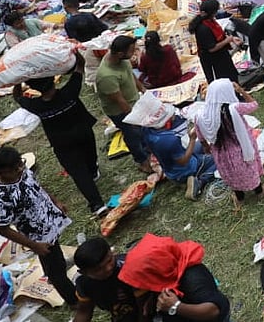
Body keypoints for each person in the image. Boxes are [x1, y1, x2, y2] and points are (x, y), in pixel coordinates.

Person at [13, 52, 105, 213]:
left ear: (33, 88)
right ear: (54, 80)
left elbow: (17, 96)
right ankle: (92, 170)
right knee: (89, 153)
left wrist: (19, 80)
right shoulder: (70, 92)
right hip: (83, 131)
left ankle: (97, 204)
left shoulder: (35, 105)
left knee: (78, 171)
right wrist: (73, 51)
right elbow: (80, 66)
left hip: (62, 141)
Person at [0, 147, 78, 305]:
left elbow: (38, 187)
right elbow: (4, 229)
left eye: (20, 165)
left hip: (51, 222)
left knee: (56, 258)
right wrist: (34, 246)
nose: (19, 170)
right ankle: (74, 300)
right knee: (55, 270)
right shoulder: (1, 198)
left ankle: (60, 270)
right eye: (12, 170)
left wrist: (55, 201)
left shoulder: (24, 172)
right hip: (39, 238)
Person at [73, 234, 230, 322]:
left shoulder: (192, 277)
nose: (109, 268)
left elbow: (214, 311)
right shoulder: (163, 279)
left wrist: (175, 306)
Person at [126, 93, 216, 199]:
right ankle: (200, 181)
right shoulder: (169, 140)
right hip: (185, 170)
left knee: (199, 146)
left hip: (170, 171)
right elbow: (183, 161)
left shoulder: (148, 131)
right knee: (218, 161)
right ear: (165, 123)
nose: (173, 116)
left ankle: (200, 164)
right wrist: (192, 139)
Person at [196, 79, 264, 207]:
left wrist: (206, 147)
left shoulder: (201, 115)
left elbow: (200, 135)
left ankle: (240, 198)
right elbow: (254, 105)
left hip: (220, 153)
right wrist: (241, 91)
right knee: (248, 168)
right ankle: (259, 191)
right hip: (240, 148)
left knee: (230, 173)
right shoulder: (234, 108)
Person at [95, 35, 150, 173]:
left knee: (142, 130)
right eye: (132, 50)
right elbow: (120, 101)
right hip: (120, 110)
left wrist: (143, 90)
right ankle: (142, 162)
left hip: (133, 101)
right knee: (132, 134)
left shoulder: (121, 60)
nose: (134, 53)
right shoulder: (106, 76)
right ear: (120, 53)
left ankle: (148, 150)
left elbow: (131, 75)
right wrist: (133, 118)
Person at [189, 0, 240, 83]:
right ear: (213, 12)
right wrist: (227, 41)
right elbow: (211, 48)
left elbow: (219, 35)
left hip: (222, 55)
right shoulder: (203, 28)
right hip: (213, 61)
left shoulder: (211, 21)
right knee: (222, 82)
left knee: (232, 78)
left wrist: (231, 39)